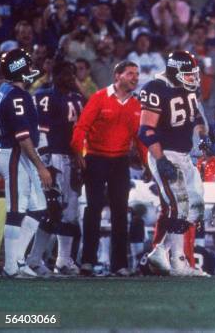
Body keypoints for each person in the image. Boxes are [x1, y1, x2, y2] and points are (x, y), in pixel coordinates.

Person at [71, 61, 143, 276]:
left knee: (121, 212)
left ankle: (119, 265)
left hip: (120, 162)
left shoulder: (136, 104)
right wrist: (78, 153)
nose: (135, 78)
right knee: (93, 210)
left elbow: (140, 140)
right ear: (118, 76)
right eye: (131, 73)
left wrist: (148, 164)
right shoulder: (99, 97)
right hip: (96, 160)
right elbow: (81, 127)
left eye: (137, 74)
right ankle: (87, 262)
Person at [140, 51, 208, 277]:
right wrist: (160, 160)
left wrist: (203, 136)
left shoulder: (186, 88)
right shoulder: (155, 88)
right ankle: (179, 262)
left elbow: (195, 117)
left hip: (185, 155)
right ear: (173, 71)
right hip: (166, 153)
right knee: (178, 207)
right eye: (187, 74)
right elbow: (146, 130)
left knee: (195, 206)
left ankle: (161, 251)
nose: (192, 79)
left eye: (193, 74)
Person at [0, 49, 52, 277]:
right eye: (27, 66)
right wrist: (41, 166)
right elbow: (23, 137)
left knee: (38, 207)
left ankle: (18, 260)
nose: (31, 70)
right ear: (19, 67)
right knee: (16, 210)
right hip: (15, 154)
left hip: (15, 153)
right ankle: (10, 266)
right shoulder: (17, 96)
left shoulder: (5, 89)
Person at [29, 62, 84, 276]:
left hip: (72, 157)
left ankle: (63, 260)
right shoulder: (45, 96)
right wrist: (45, 164)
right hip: (52, 155)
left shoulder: (77, 98)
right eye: (66, 73)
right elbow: (40, 132)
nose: (70, 77)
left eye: (72, 73)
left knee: (71, 213)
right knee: (52, 209)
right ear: (55, 74)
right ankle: (34, 259)